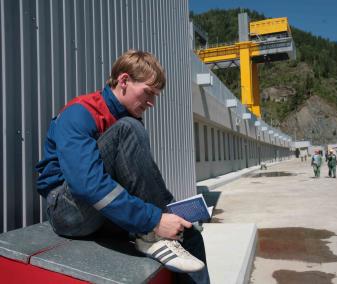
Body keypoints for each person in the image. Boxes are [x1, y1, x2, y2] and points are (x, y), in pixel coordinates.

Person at [36, 50, 210, 283]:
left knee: (189, 236)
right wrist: (154, 220)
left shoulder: (125, 120)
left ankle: (163, 230)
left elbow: (146, 179)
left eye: (156, 95)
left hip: (103, 214)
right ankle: (151, 232)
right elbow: (86, 184)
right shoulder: (81, 112)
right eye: (148, 92)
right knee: (130, 129)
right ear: (124, 80)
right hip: (68, 212)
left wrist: (174, 216)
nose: (152, 103)